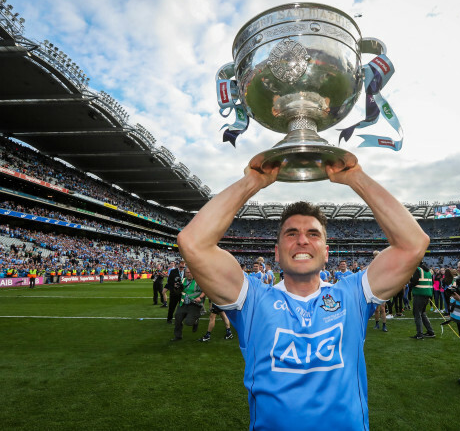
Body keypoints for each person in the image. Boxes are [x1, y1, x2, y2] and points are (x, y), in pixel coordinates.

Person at [177, 161, 429, 430]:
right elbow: (193, 243)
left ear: (326, 253)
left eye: (313, 234)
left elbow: (413, 244)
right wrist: (252, 182)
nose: (302, 240)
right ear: (276, 252)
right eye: (291, 233)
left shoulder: (353, 293)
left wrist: (355, 177)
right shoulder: (252, 299)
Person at [171, 267, 205, 341]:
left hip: (194, 304)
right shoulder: (182, 280)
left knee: (188, 322)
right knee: (177, 318)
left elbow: (205, 290)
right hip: (183, 303)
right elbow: (178, 293)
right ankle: (178, 336)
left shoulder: (198, 281)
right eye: (187, 272)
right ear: (185, 273)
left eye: (190, 272)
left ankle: (195, 321)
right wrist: (176, 288)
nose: (188, 274)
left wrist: (200, 298)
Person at [409, 261, 436, 339]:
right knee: (422, 313)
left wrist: (409, 284)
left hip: (419, 293)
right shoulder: (428, 271)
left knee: (417, 313)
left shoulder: (418, 269)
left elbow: (415, 281)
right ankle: (430, 332)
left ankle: (419, 334)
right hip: (427, 294)